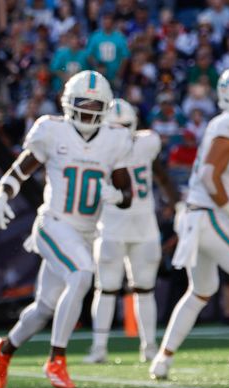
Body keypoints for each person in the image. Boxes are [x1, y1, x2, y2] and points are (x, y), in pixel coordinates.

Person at [0, 70, 133, 388]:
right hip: (53, 224)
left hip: (85, 233)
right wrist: (2, 194)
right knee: (83, 273)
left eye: (96, 106)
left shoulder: (115, 139)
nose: (89, 112)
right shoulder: (52, 131)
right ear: (69, 104)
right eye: (83, 104)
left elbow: (128, 194)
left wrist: (117, 195)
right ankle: (56, 359)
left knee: (44, 309)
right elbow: (21, 169)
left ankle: (5, 349)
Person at [150, 66, 229, 380]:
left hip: (198, 214)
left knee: (201, 290)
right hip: (209, 216)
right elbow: (211, 178)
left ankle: (163, 360)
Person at [86, 99, 179, 364]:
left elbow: (160, 174)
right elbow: (161, 175)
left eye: (124, 126)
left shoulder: (107, 145)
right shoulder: (147, 142)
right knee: (108, 289)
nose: (121, 132)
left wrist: (178, 204)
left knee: (138, 289)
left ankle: (144, 347)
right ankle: (103, 347)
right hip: (122, 226)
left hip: (132, 226)